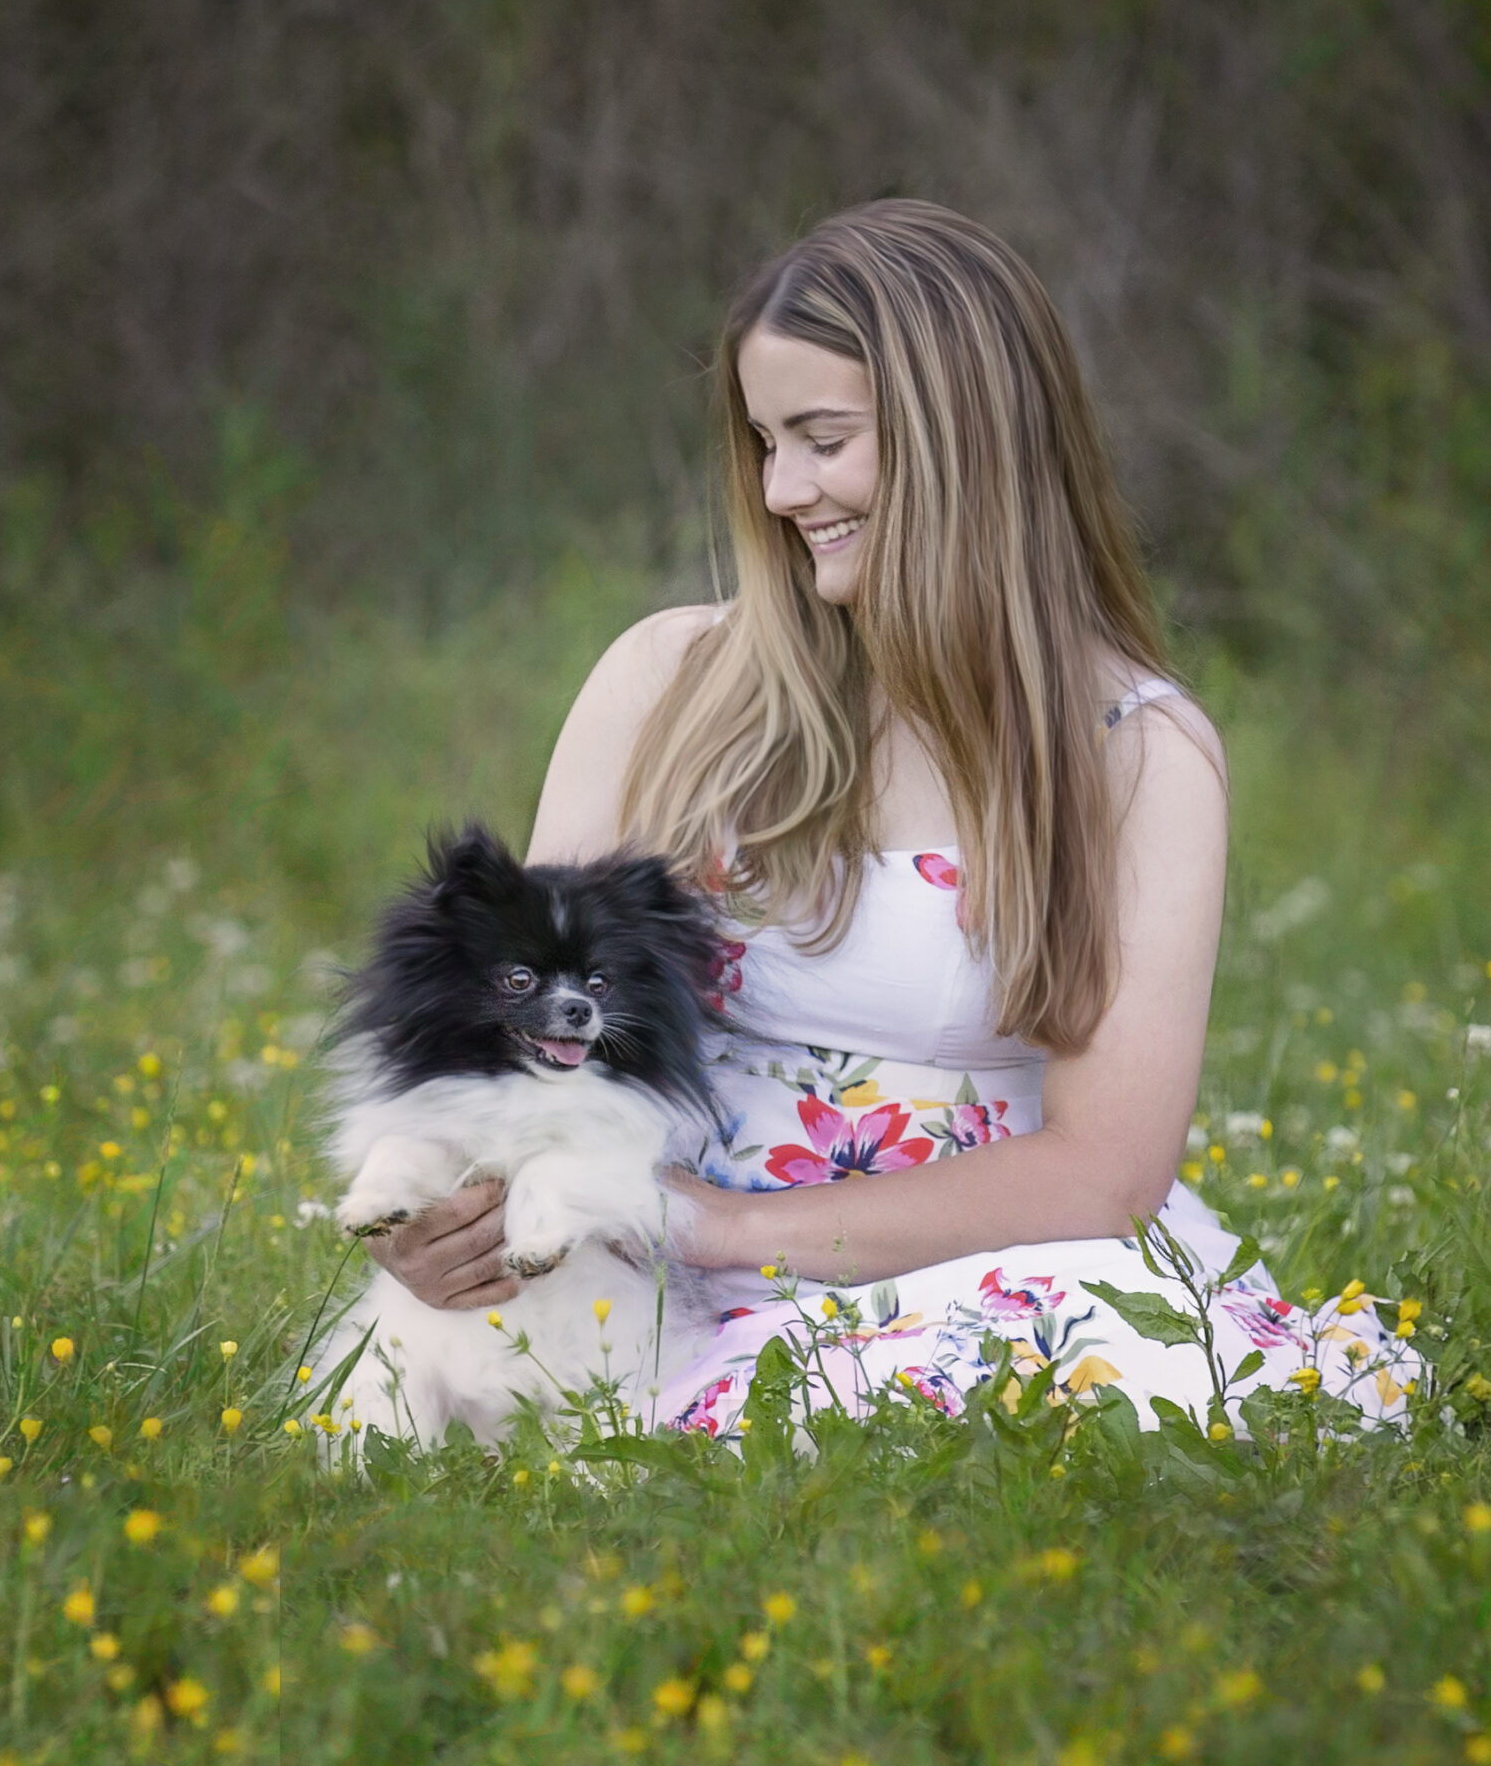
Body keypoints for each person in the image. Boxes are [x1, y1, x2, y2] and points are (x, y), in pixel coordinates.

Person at [362, 199, 1421, 1436]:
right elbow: (509, 1033)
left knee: (1073, 1400)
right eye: (764, 442)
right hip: (621, 1249)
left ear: (962, 438)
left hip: (969, 1259)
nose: (782, 488)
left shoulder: (1131, 750)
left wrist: (726, 1227)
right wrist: (441, 1220)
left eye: (823, 438)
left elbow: (1104, 1168)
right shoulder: (669, 682)